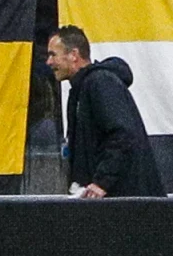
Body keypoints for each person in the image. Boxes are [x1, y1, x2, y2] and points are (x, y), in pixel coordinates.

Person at [48, 25, 161, 199]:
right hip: (109, 201)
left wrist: (102, 182)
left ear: (73, 55)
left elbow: (122, 134)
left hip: (126, 203)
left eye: (52, 55)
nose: (48, 62)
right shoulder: (79, 90)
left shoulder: (100, 82)